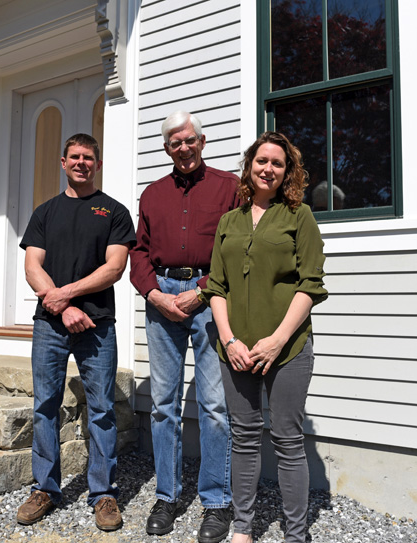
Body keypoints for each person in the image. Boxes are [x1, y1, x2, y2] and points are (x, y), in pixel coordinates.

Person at [200, 132, 328, 543]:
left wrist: (276, 340)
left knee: (289, 439)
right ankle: (242, 527)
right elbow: (216, 287)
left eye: (277, 162)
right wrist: (230, 340)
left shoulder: (299, 216)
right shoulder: (229, 221)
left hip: (287, 350)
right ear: (249, 166)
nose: (268, 168)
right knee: (244, 437)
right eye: (261, 161)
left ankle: (296, 533)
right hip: (235, 349)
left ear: (287, 171)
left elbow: (310, 286)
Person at [16, 133, 136, 532]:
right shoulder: (45, 212)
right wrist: (64, 307)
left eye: (89, 157)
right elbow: (33, 267)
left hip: (97, 325)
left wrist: (66, 294)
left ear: (97, 164)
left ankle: (104, 494)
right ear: (62, 162)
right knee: (44, 405)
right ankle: (45, 489)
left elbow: (114, 268)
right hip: (50, 324)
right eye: (75, 157)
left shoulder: (114, 212)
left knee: (101, 409)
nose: (82, 162)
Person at [130, 111, 239, 543]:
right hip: (162, 295)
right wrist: (154, 294)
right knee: (163, 403)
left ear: (203, 140)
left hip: (210, 296)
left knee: (214, 405)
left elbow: (235, 249)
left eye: (189, 140)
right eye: (175, 143)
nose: (184, 148)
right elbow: (138, 252)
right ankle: (167, 495)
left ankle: (216, 502)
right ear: (166, 149)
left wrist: (204, 290)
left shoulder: (228, 187)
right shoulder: (153, 194)